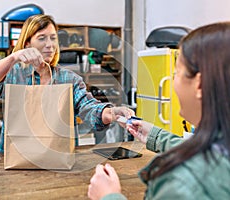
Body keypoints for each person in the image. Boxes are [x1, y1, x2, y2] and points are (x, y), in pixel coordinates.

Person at [88, 22, 230, 200]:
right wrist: (156, 136)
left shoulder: (181, 184)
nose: (172, 82)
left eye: (176, 72)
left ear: (199, 84)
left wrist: (108, 196)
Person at [0, 14, 133, 153]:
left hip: (58, 158)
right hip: (15, 158)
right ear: (27, 43)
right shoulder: (14, 74)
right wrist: (14, 57)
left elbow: (88, 108)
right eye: (42, 38)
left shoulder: (69, 79)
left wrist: (111, 113)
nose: (50, 45)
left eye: (53, 38)